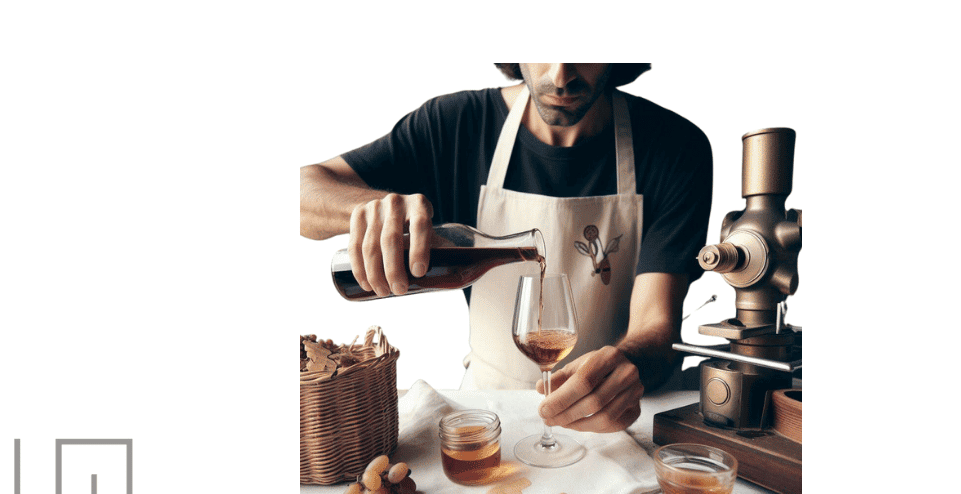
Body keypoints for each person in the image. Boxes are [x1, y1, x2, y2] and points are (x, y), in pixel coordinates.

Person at [300, 63, 712, 433]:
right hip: (491, 411)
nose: (560, 74)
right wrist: (368, 210)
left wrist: (629, 365)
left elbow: (656, 324)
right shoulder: (455, 126)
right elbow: (300, 192)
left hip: (622, 417)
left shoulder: (675, 147)